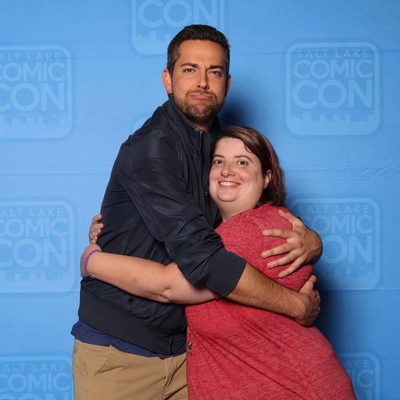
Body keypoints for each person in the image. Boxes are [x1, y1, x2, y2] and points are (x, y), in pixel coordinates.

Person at [71, 25, 322, 400]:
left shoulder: (222, 149)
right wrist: (296, 306)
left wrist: (314, 243)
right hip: (121, 355)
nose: (203, 82)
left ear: (227, 83)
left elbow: (251, 224)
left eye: (214, 72)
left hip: (194, 355)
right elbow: (203, 262)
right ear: (168, 80)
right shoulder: (151, 148)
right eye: (190, 70)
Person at [82, 126, 356, 399]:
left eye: (242, 162)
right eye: (218, 161)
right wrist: (115, 232)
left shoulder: (250, 233)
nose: (227, 170)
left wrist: (92, 260)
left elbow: (167, 286)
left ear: (267, 178)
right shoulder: (238, 227)